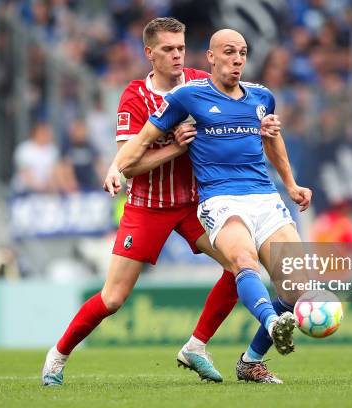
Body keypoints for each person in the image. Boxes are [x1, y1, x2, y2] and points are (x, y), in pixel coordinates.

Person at [42, 18, 278, 386]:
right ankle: (57, 355)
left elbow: (240, 112)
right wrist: (173, 147)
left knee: (240, 266)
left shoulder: (203, 82)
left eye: (181, 47)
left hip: (196, 204)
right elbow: (130, 163)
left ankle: (196, 346)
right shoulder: (134, 97)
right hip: (147, 206)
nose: (177, 55)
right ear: (149, 53)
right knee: (113, 298)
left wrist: (258, 127)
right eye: (168, 49)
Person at [106, 29, 313, 383]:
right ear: (211, 57)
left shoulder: (262, 98)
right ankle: (271, 321)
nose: (237, 59)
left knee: (299, 288)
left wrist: (291, 184)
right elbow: (141, 141)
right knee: (243, 261)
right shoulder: (188, 97)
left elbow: (272, 140)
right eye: (229, 52)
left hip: (264, 197)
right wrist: (115, 168)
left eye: (243, 53)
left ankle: (250, 362)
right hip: (220, 199)